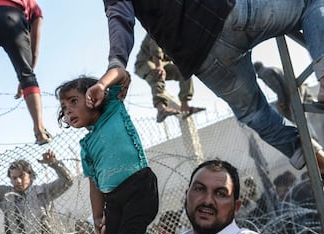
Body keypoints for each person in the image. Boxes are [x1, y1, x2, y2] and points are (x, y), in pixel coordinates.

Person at [88, 0, 324, 174]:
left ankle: (304, 150)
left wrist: (116, 63)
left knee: (253, 112)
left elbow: (119, 16)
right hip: (225, 14)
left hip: (202, 59)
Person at [103, 159, 287, 234]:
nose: (207, 201)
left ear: (236, 206)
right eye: (199, 189)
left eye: (220, 194)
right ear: (186, 196)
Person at [55, 76, 159, 234]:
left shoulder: (113, 109)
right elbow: (95, 184)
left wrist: (101, 85)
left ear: (93, 97)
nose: (68, 111)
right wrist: (96, 215)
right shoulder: (86, 147)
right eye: (64, 108)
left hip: (138, 188)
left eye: (73, 101)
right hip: (113, 201)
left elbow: (120, 73)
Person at [0, 0, 52, 167]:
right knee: (27, 76)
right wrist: (26, 75)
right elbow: (34, 49)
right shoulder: (34, 8)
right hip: (11, 11)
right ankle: (40, 130)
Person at [134, 34, 205, 122]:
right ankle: (161, 109)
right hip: (145, 62)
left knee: (184, 72)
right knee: (158, 73)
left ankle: (185, 106)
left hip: (164, 63)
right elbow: (155, 45)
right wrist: (158, 65)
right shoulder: (159, 27)